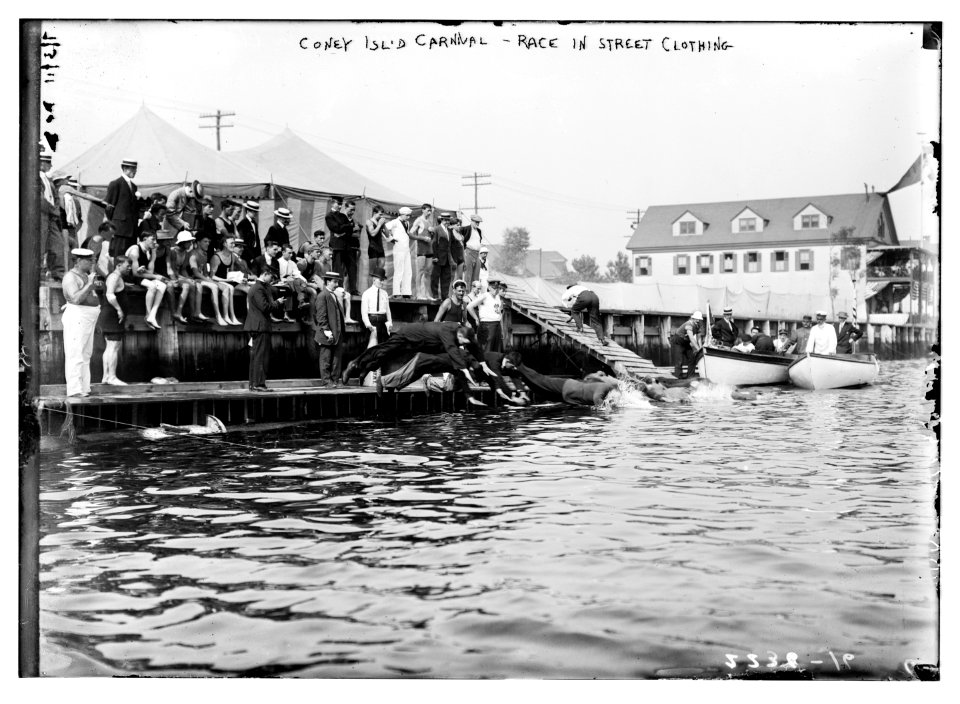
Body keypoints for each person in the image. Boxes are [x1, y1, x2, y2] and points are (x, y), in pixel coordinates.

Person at [342, 322, 482, 384]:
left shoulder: (462, 333)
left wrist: (482, 362)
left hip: (418, 344)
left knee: (388, 356)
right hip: (409, 334)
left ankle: (367, 368)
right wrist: (464, 369)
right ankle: (354, 364)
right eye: (463, 342)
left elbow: (474, 345)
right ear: (459, 335)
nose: (462, 345)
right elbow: (452, 350)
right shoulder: (448, 332)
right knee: (384, 349)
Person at [501, 351, 620, 407]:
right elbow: (597, 399)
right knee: (538, 380)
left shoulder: (603, 385)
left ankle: (515, 368)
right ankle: (515, 366)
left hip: (568, 392)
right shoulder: (605, 387)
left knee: (539, 387)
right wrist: (605, 412)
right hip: (566, 387)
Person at [61, 248, 101, 397]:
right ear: (78, 261)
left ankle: (84, 387)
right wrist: (90, 284)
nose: (92, 262)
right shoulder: (70, 277)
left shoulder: (85, 275)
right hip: (78, 316)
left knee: (86, 354)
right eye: (88, 260)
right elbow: (75, 299)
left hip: (88, 318)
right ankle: (74, 389)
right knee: (75, 352)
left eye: (92, 259)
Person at [244, 269, 285, 392]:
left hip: (257, 326)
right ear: (265, 274)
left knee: (256, 356)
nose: (272, 280)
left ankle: (254, 384)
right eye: (271, 277)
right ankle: (259, 384)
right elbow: (265, 307)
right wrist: (277, 302)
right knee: (261, 356)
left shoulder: (259, 287)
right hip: (260, 326)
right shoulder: (258, 288)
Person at [98, 255, 132, 385]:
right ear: (118, 265)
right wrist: (119, 309)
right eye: (127, 266)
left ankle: (106, 377)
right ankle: (111, 377)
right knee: (113, 347)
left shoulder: (116, 277)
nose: (129, 268)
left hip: (111, 316)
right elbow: (110, 295)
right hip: (112, 315)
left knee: (111, 347)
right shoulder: (114, 277)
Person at [124, 231, 168, 330]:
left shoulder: (151, 251)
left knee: (162, 286)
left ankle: (153, 315)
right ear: (144, 239)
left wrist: (146, 271)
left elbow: (150, 271)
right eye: (152, 239)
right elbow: (134, 273)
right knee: (152, 286)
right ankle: (148, 315)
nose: (155, 242)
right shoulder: (135, 249)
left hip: (142, 277)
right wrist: (155, 276)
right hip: (129, 277)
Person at [190, 233, 235, 327]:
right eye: (205, 241)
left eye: (208, 242)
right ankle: (218, 316)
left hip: (202, 279)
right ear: (198, 243)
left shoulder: (205, 254)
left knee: (224, 287)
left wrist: (209, 279)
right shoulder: (193, 254)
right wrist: (210, 280)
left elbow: (206, 273)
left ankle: (227, 316)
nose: (208, 244)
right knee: (214, 286)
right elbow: (195, 273)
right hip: (195, 279)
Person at [314, 271, 347, 386]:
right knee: (326, 359)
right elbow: (321, 316)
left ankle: (335, 380)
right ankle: (327, 381)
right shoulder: (322, 296)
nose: (337, 284)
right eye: (334, 282)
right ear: (328, 282)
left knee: (336, 360)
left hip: (337, 333)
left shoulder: (333, 295)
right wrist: (327, 331)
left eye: (337, 281)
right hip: (327, 333)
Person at [104, 159, 139, 257]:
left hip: (132, 230)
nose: (135, 171)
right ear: (124, 168)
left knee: (131, 257)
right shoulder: (115, 184)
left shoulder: (134, 187)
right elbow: (109, 207)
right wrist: (116, 223)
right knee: (119, 256)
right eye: (132, 169)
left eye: (135, 169)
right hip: (120, 229)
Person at [39, 152, 66, 278]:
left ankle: (57, 272)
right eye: (48, 162)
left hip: (51, 217)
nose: (50, 165)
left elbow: (54, 198)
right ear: (41, 162)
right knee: (40, 244)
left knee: (57, 244)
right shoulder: (35, 178)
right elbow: (39, 199)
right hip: (42, 216)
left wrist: (55, 210)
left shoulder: (47, 180)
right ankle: (37, 273)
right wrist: (52, 210)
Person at [208, 236, 245, 325]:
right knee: (229, 288)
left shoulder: (232, 256)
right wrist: (227, 280)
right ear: (224, 244)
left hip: (226, 281)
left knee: (241, 288)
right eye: (231, 243)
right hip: (216, 280)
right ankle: (225, 316)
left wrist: (241, 277)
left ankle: (232, 316)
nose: (233, 245)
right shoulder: (216, 257)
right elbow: (212, 276)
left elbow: (234, 271)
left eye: (234, 243)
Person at [167, 231, 201, 324]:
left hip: (179, 275)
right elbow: (173, 271)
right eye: (188, 242)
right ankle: (178, 312)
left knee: (193, 284)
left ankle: (193, 313)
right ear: (182, 242)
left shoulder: (185, 253)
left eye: (190, 241)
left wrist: (188, 278)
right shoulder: (173, 251)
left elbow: (183, 269)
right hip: (171, 276)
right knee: (187, 285)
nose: (190, 244)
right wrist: (186, 279)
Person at [325, 197, 355, 293]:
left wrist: (342, 230)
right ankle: (339, 288)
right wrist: (346, 226)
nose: (340, 206)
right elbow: (336, 228)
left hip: (346, 244)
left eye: (341, 204)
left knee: (352, 267)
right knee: (338, 268)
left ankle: (353, 289)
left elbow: (350, 230)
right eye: (338, 203)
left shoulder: (343, 216)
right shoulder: (329, 216)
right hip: (337, 245)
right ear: (332, 203)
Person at [467, 279, 506, 352]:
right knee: (487, 348)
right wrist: (476, 318)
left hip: (497, 325)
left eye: (497, 288)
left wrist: (502, 330)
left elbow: (499, 313)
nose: (495, 290)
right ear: (489, 287)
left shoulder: (498, 297)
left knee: (497, 349)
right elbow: (469, 307)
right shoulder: (485, 295)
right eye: (494, 288)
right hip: (487, 325)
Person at [278, 243, 316, 319]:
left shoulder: (292, 263)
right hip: (281, 282)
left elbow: (297, 273)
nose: (291, 255)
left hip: (292, 282)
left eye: (292, 253)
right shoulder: (278, 262)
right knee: (294, 281)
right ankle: (301, 302)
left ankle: (307, 312)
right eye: (289, 253)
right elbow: (277, 275)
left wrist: (304, 281)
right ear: (283, 252)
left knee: (298, 280)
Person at [384, 206, 413, 298]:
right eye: (407, 215)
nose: (408, 217)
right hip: (398, 248)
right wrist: (390, 239)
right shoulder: (395, 222)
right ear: (402, 214)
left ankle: (406, 292)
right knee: (399, 270)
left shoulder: (407, 222)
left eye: (409, 215)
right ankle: (396, 292)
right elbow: (384, 228)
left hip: (406, 248)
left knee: (408, 270)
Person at [360, 267, 392, 348]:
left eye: (383, 280)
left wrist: (390, 322)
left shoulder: (384, 294)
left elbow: (388, 311)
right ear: (374, 280)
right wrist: (368, 324)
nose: (382, 282)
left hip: (383, 321)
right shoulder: (367, 293)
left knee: (383, 347)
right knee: (372, 346)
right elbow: (364, 312)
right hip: (372, 321)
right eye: (380, 280)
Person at [410, 204, 435, 299]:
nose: (429, 213)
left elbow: (431, 237)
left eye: (430, 211)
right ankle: (418, 294)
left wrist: (432, 233)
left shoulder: (429, 222)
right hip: (421, 249)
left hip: (429, 249)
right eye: (428, 210)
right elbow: (410, 234)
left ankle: (427, 294)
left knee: (428, 272)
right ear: (423, 210)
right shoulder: (418, 220)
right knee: (420, 271)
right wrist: (422, 238)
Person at [430, 212, 456, 300]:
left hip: (447, 258)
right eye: (445, 220)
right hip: (438, 257)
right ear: (441, 220)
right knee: (435, 277)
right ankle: (435, 295)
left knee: (446, 278)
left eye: (448, 220)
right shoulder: (436, 229)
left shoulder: (449, 230)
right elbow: (433, 243)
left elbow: (451, 245)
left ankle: (444, 296)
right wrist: (434, 256)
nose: (447, 222)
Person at [671, 311, 703, 379]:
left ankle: (690, 378)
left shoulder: (698, 325)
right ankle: (678, 378)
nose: (697, 320)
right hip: (678, 341)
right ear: (693, 318)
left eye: (698, 319)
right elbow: (691, 338)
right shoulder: (689, 324)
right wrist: (698, 349)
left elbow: (699, 338)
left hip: (686, 342)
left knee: (692, 358)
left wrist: (700, 348)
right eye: (696, 319)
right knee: (679, 361)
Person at [459, 213, 484, 286]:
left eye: (478, 222)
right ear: (472, 221)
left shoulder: (479, 231)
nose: (477, 224)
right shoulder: (466, 228)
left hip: (477, 254)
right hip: (469, 252)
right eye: (476, 222)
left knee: (476, 276)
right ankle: (467, 294)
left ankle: (474, 294)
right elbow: (456, 231)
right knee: (468, 275)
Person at [365, 205, 388, 274]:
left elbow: (387, 234)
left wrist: (384, 225)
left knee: (380, 272)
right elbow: (372, 234)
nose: (381, 217)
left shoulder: (380, 223)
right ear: (374, 213)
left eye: (382, 215)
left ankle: (377, 284)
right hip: (373, 248)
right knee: (372, 272)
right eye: (380, 214)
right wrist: (379, 225)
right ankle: (370, 285)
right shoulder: (369, 222)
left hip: (380, 249)